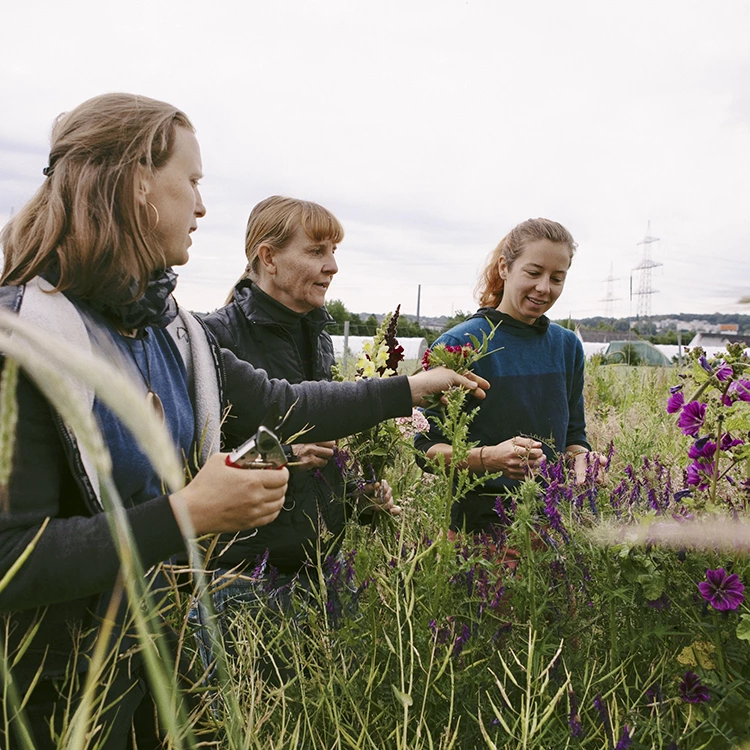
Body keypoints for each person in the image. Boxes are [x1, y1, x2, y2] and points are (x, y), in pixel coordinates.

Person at [0, 93, 488, 749]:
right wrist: (189, 512)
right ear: (138, 184)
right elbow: (10, 558)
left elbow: (285, 404)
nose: (203, 207)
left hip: (154, 673)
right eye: (193, 181)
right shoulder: (24, 337)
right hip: (48, 698)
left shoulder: (173, 334)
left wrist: (410, 388)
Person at [198, 196, 397, 675]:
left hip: (323, 572)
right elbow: (192, 463)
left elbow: (318, 450)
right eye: (316, 251)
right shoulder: (213, 339)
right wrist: (282, 454)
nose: (332, 266)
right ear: (268, 257)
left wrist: (356, 497)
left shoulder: (317, 337)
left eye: (333, 252)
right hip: (243, 580)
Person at [415, 217, 606, 535]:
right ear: (504, 267)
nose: (544, 288)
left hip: (552, 526)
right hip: (477, 533)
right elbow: (425, 449)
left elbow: (574, 437)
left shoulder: (567, 346)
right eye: (533, 273)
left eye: (557, 278)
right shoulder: (459, 345)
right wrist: (489, 458)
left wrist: (583, 461)